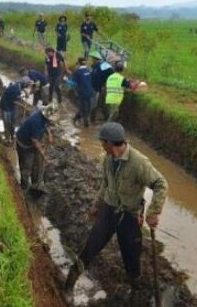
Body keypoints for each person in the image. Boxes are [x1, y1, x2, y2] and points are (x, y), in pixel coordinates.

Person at [63, 122, 168, 297]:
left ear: (110, 143)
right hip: (109, 210)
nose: (102, 146)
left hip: (129, 216)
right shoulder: (107, 160)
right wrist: (97, 205)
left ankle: (135, 289)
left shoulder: (139, 163)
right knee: (91, 246)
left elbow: (160, 184)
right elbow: (105, 184)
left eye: (103, 142)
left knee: (131, 255)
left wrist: (153, 212)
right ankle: (69, 283)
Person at [15, 104, 59, 193]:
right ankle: (24, 188)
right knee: (26, 167)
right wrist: (43, 155)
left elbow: (46, 125)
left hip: (32, 143)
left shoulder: (43, 116)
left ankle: (35, 185)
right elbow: (35, 141)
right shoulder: (36, 121)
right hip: (24, 145)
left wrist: (49, 134)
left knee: (37, 164)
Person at [2, 77, 33, 144]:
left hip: (11, 106)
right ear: (25, 85)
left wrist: (26, 93)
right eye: (28, 85)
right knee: (7, 124)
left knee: (12, 122)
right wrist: (23, 106)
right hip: (6, 106)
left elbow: (20, 91)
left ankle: (13, 136)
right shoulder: (17, 90)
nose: (28, 87)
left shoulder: (19, 85)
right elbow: (14, 101)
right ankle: (7, 140)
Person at [89, 51, 114, 122]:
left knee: (98, 103)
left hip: (101, 88)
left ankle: (94, 119)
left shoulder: (104, 66)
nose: (91, 60)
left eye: (92, 59)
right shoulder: (95, 66)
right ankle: (98, 118)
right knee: (97, 103)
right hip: (95, 88)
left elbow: (112, 73)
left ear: (96, 59)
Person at [71, 57, 96, 127]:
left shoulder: (77, 72)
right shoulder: (89, 70)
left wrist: (67, 81)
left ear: (78, 63)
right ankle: (79, 118)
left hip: (82, 92)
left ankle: (83, 121)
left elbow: (73, 83)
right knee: (87, 107)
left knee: (83, 107)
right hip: (90, 92)